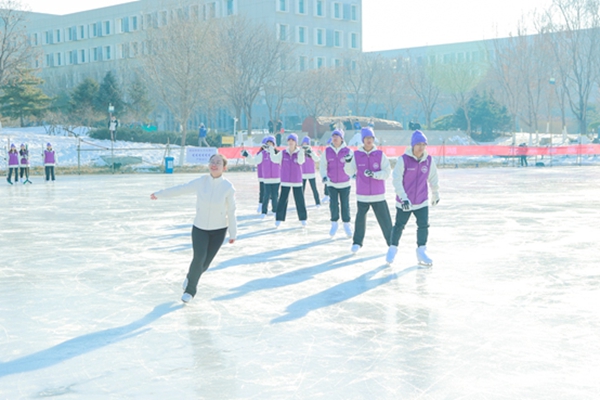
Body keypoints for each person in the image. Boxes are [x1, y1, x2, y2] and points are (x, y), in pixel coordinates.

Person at [150, 154, 237, 303]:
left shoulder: (228, 187)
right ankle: (190, 291)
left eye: (218, 163)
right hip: (200, 228)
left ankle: (190, 277)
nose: (214, 165)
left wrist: (233, 232)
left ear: (224, 168)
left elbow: (231, 211)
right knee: (198, 258)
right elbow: (181, 189)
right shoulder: (201, 182)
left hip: (219, 230)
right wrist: (160, 194)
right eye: (212, 162)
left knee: (205, 264)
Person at [387, 130, 440, 266]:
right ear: (412, 145)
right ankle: (392, 249)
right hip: (405, 201)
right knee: (399, 226)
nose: (421, 147)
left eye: (423, 144)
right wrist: (403, 198)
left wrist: (435, 193)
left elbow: (433, 178)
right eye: (418, 144)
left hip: (421, 200)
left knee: (423, 226)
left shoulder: (428, 160)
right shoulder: (403, 159)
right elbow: (397, 180)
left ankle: (421, 251)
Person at [344, 127, 392, 253]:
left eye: (371, 138)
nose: (369, 140)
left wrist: (374, 174)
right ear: (363, 140)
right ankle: (357, 242)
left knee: (385, 220)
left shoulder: (380, 155)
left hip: (378, 194)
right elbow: (349, 172)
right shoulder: (356, 155)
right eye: (366, 138)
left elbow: (387, 172)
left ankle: (392, 242)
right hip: (362, 194)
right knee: (360, 219)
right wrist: (348, 162)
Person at [269, 133, 307, 227]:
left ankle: (303, 218)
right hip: (285, 179)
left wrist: (302, 151)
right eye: (289, 140)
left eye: (293, 140)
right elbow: (274, 159)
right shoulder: (283, 153)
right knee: (282, 199)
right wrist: (271, 149)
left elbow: (301, 161)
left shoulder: (299, 152)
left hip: (297, 179)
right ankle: (279, 218)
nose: (290, 142)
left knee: (300, 200)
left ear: (296, 142)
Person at [320, 129, 353, 238]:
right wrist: (324, 176)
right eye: (333, 136)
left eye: (337, 136)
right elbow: (322, 165)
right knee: (333, 205)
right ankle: (334, 223)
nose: (334, 138)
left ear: (342, 138)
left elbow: (353, 166)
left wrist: (352, 174)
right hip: (332, 183)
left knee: (345, 205)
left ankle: (346, 224)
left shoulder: (348, 151)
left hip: (345, 183)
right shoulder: (327, 151)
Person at [243, 135, 281, 218]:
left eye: (271, 143)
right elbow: (254, 160)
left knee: (275, 195)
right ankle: (264, 211)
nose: (270, 145)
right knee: (266, 195)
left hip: (276, 178)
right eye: (268, 143)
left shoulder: (278, 153)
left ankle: (275, 210)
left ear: (274, 144)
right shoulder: (263, 154)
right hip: (266, 179)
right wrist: (248, 156)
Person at [300, 136, 321, 207]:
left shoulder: (312, 151)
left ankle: (317, 202)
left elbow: (317, 159)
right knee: (302, 190)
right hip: (302, 173)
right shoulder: (300, 151)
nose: (305, 145)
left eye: (306, 143)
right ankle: (301, 203)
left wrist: (311, 153)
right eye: (304, 143)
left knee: (314, 188)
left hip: (311, 173)